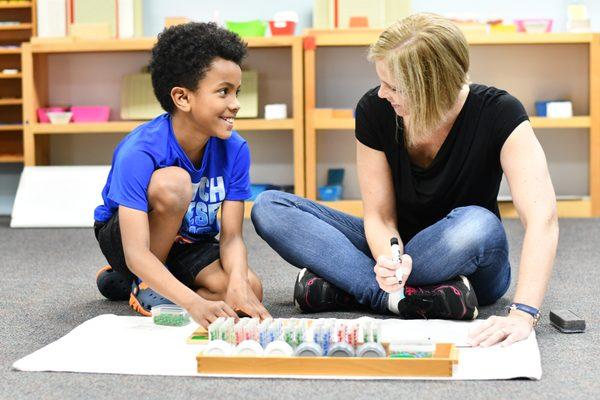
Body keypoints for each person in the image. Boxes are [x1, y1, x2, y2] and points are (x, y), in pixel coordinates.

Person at [251, 13, 558, 347]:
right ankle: (402, 298)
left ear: (432, 90)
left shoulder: (501, 113)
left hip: (467, 257)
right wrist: (389, 258)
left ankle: (349, 284)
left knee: (479, 223)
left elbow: (542, 218)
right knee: (270, 207)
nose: (382, 93)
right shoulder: (375, 109)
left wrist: (523, 313)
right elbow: (380, 216)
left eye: (393, 86)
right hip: (396, 252)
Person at [93, 22, 271, 328]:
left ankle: (135, 283)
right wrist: (193, 303)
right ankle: (144, 282)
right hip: (132, 241)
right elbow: (136, 252)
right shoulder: (139, 150)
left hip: (190, 242)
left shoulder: (236, 149)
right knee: (173, 183)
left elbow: (231, 238)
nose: (236, 104)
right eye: (223, 92)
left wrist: (239, 283)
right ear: (183, 98)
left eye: (237, 92)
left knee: (250, 291)